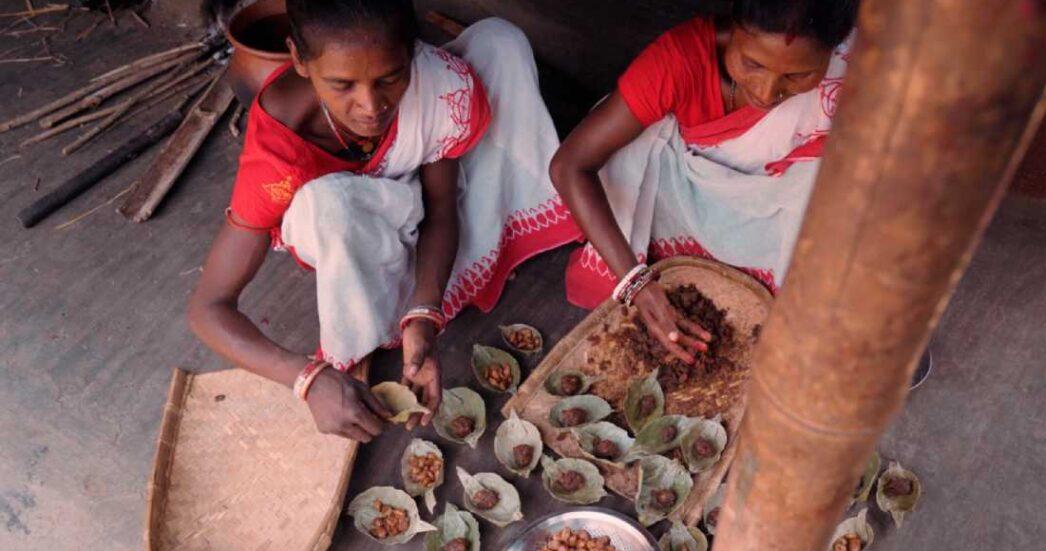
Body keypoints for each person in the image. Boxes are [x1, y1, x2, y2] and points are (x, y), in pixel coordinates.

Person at [188, 0, 580, 442]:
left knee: (500, 42)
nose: (371, 106)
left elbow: (440, 209)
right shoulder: (281, 141)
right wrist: (307, 378)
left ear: (412, 52)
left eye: (390, 78)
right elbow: (208, 308)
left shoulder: (434, 89)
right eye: (342, 85)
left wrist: (423, 317)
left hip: (416, 194)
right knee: (328, 205)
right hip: (346, 220)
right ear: (298, 58)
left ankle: (417, 290)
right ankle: (369, 306)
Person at [550, 0, 859, 364]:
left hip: (778, 196)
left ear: (835, 50)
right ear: (734, 25)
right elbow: (569, 165)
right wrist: (637, 284)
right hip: (688, 194)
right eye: (752, 64)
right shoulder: (678, 60)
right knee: (626, 154)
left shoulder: (855, 65)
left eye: (797, 76)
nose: (765, 91)